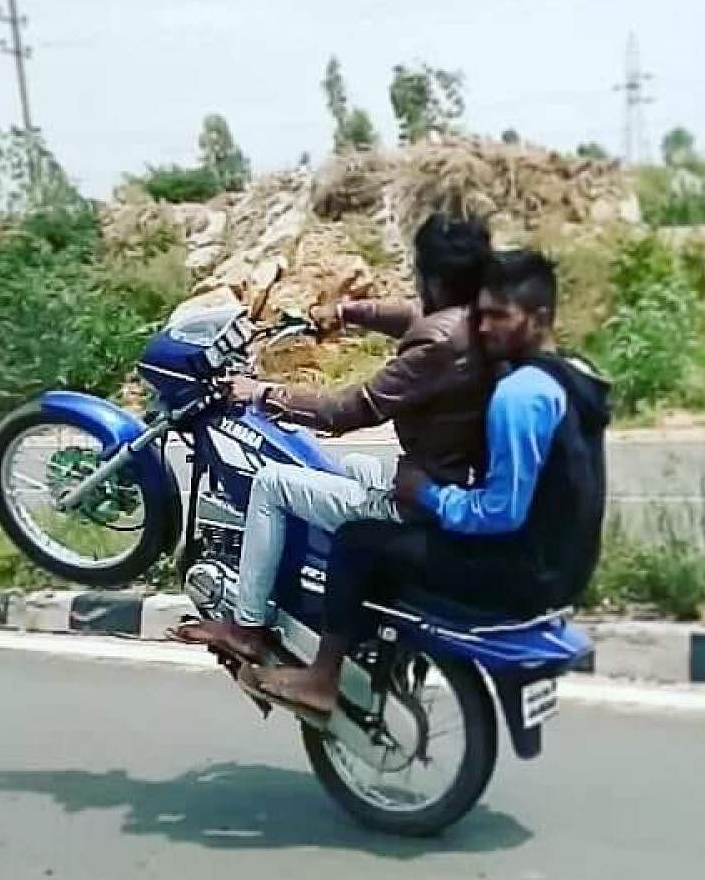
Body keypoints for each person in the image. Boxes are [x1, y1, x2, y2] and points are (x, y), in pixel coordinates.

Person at [242, 249, 611, 718]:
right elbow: (420, 319)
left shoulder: (517, 396)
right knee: (363, 475)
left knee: (358, 542)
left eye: (498, 317)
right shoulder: (569, 371)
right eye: (480, 314)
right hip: (569, 562)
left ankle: (321, 676)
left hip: (523, 572)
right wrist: (350, 311)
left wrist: (429, 495)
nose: (481, 328)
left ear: (538, 317)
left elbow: (501, 512)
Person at [170, 213, 493, 661]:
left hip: (422, 499)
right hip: (455, 478)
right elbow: (410, 315)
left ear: (433, 277)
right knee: (349, 466)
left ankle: (247, 627)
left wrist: (263, 392)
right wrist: (344, 312)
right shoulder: (476, 319)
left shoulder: (436, 348)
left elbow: (348, 411)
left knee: (271, 482)